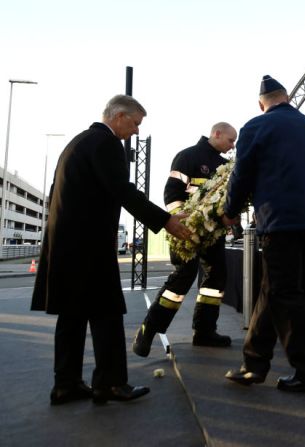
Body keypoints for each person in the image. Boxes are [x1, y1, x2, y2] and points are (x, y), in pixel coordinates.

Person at [31, 95, 191, 405]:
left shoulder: (78, 142)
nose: (135, 132)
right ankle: (111, 384)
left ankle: (66, 385)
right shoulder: (106, 144)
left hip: (66, 244)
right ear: (118, 116)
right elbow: (123, 191)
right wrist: (166, 220)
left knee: (72, 316)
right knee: (106, 313)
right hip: (89, 245)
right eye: (134, 124)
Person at [222, 75, 305, 394]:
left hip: (280, 221)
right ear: (286, 98)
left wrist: (230, 209)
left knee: (285, 294)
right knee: (274, 290)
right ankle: (253, 364)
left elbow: (242, 173)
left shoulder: (257, 127)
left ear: (262, 104)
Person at [132, 122, 237, 357]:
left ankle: (204, 332)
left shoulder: (226, 166)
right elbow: (171, 193)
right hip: (184, 231)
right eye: (231, 140)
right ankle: (148, 330)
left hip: (213, 233)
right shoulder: (187, 157)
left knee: (216, 278)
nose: (233, 146)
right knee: (182, 279)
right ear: (216, 133)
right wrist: (185, 223)